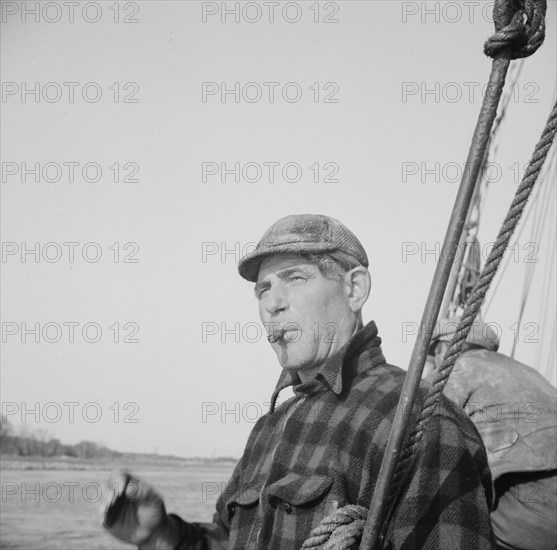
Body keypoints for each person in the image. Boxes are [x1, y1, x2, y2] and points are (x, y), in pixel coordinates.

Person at [102, 214, 496, 549]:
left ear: (354, 289)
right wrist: (159, 534)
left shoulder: (420, 424)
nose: (273, 303)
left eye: (295, 278)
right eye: (264, 289)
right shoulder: (269, 429)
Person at [424, 317, 557, 550]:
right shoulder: (527, 372)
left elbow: (416, 432)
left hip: (525, 506)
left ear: (443, 348)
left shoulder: (454, 372)